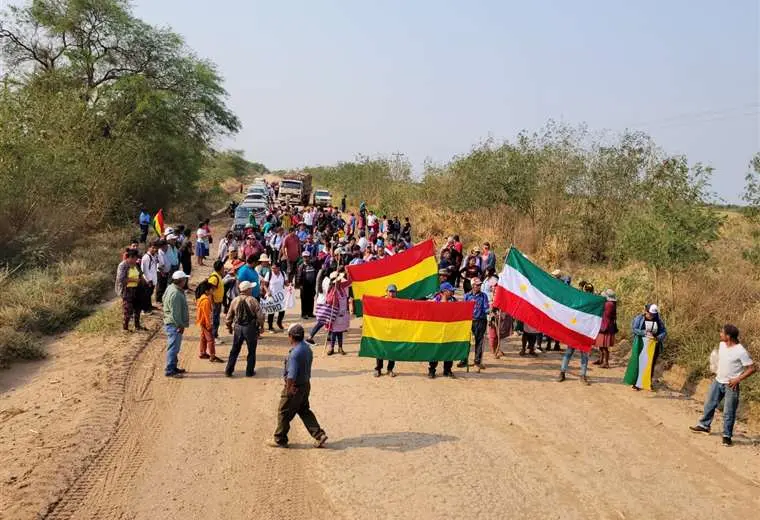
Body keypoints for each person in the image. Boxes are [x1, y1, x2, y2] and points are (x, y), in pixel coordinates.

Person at [690, 324, 756, 446]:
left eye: (722, 333)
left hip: (731, 385)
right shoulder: (722, 345)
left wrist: (737, 379)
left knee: (728, 411)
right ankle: (704, 425)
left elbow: (752, 368)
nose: (720, 334)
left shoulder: (741, 351)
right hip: (718, 380)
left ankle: (727, 436)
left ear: (728, 336)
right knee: (709, 404)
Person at [270, 324, 328, 448]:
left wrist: (289, 389)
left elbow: (291, 375)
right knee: (304, 410)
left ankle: (280, 439)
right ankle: (319, 434)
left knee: (284, 412)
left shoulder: (295, 353)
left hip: (295, 386)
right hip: (305, 384)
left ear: (291, 336)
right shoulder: (307, 348)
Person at [225, 280, 265, 377]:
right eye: (250, 288)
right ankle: (249, 372)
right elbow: (260, 316)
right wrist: (262, 326)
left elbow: (229, 316)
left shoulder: (235, 300)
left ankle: (229, 370)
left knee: (235, 350)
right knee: (251, 351)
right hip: (250, 328)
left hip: (238, 328)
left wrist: (229, 327)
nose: (251, 289)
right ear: (247, 290)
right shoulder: (252, 300)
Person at [623, 304, 667, 391]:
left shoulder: (658, 321)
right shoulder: (639, 319)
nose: (651, 316)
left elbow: (664, 331)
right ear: (646, 311)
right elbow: (634, 328)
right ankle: (637, 383)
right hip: (641, 344)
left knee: (650, 364)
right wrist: (644, 333)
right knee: (639, 363)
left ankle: (647, 382)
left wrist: (657, 337)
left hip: (654, 346)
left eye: (653, 314)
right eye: (650, 314)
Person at [163, 271, 190, 378]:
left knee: (174, 347)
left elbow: (163, 298)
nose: (186, 281)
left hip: (171, 322)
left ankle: (173, 367)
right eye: (185, 279)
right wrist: (180, 325)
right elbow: (176, 314)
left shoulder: (171, 288)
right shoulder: (176, 294)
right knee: (173, 347)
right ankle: (170, 370)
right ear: (181, 281)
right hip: (174, 324)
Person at [428, 282, 457, 379]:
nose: (453, 292)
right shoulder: (434, 301)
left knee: (449, 350)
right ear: (444, 292)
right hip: (437, 331)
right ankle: (432, 370)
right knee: (435, 351)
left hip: (449, 331)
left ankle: (447, 370)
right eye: (450, 290)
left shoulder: (454, 301)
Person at [115, 249, 145, 332]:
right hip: (127, 290)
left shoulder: (136, 264)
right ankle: (125, 328)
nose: (136, 260)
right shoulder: (123, 265)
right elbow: (121, 279)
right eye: (135, 258)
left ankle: (137, 326)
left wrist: (142, 281)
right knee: (128, 309)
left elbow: (140, 274)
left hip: (137, 289)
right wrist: (134, 280)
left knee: (138, 308)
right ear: (130, 257)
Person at [463, 278, 489, 371]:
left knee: (479, 341)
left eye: (479, 285)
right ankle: (463, 360)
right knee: (466, 341)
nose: (478, 286)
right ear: (472, 285)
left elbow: (486, 307)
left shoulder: (483, 296)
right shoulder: (467, 296)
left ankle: (477, 361)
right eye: (477, 285)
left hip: (480, 321)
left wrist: (490, 311)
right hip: (469, 321)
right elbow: (463, 308)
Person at [196, 281, 224, 363]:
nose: (213, 291)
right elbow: (206, 314)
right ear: (207, 291)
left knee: (203, 337)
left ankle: (203, 352)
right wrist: (209, 324)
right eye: (212, 290)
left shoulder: (202, 298)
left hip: (202, 321)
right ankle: (212, 355)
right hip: (205, 322)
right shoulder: (206, 301)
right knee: (210, 339)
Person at [374, 284, 398, 377]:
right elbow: (372, 306)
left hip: (394, 330)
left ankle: (390, 369)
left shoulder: (399, 302)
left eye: (393, 292)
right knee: (380, 349)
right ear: (386, 292)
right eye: (390, 291)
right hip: (382, 329)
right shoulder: (381, 301)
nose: (391, 293)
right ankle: (378, 369)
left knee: (392, 350)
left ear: (396, 293)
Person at [326, 271, 351, 356]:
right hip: (335, 313)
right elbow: (328, 301)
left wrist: (349, 272)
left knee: (340, 331)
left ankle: (340, 347)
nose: (341, 281)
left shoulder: (341, 287)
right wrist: (332, 298)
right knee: (334, 332)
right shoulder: (332, 290)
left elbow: (349, 282)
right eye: (339, 280)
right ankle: (331, 347)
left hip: (342, 313)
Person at [593, 289, 618, 368]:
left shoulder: (609, 304)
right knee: (601, 345)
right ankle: (601, 360)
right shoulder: (610, 303)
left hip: (606, 326)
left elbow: (605, 314)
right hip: (605, 325)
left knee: (604, 346)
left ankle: (606, 362)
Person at [264, 263, 287, 332]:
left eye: (274, 268)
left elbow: (286, 283)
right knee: (271, 311)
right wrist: (268, 291)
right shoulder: (269, 274)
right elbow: (264, 285)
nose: (273, 269)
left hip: (281, 296)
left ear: (279, 268)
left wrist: (290, 285)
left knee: (282, 310)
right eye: (272, 268)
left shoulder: (283, 273)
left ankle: (279, 322)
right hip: (272, 295)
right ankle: (270, 327)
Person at [295, 251, 317, 319]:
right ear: (303, 257)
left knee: (311, 299)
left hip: (312, 285)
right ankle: (304, 314)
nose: (306, 258)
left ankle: (310, 313)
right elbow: (298, 276)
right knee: (304, 300)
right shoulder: (301, 266)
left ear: (309, 257)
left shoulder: (313, 265)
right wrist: (299, 285)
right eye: (304, 257)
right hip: (304, 286)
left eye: (307, 257)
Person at [208, 260, 225, 341]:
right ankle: (213, 337)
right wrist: (212, 304)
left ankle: (215, 335)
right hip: (215, 303)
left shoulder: (218, 276)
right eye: (223, 267)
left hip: (218, 302)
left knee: (216, 319)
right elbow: (210, 292)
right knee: (214, 320)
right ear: (221, 268)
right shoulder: (214, 278)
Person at [140, 241, 159, 310]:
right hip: (148, 280)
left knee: (149, 294)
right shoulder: (146, 257)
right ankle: (145, 309)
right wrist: (149, 280)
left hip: (153, 279)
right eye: (153, 248)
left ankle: (149, 306)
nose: (154, 249)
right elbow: (145, 270)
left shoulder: (154, 256)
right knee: (146, 295)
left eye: (156, 248)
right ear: (149, 248)